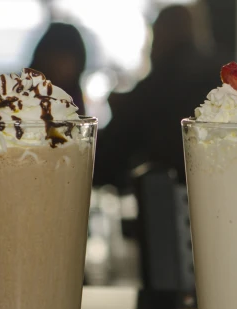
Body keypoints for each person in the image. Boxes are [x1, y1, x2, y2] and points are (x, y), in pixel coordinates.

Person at [94, 5, 220, 189]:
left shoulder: (160, 81)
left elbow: (114, 150)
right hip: (217, 189)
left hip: (165, 197)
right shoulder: (220, 75)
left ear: (163, 33)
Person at [29, 22, 87, 115]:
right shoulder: (24, 96)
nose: (61, 65)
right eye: (58, 57)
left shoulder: (73, 96)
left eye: (67, 59)